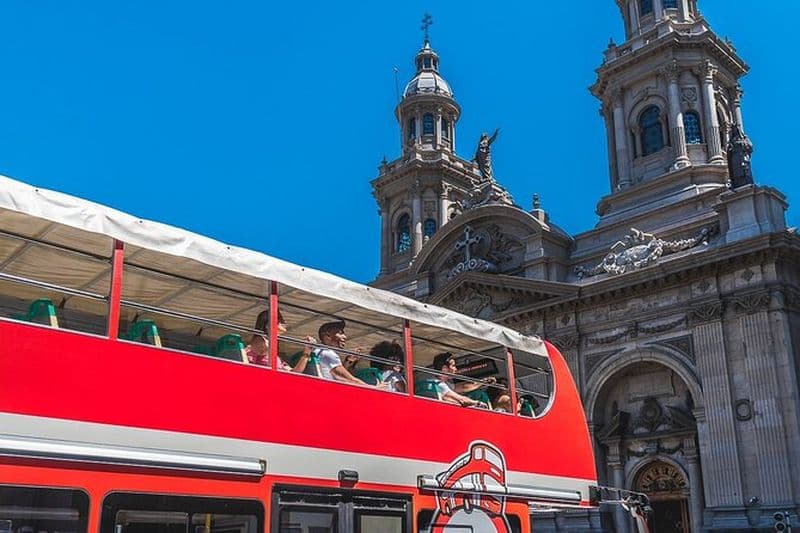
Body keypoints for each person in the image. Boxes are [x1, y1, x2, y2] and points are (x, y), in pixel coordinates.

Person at [315, 320, 383, 387]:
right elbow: (345, 378)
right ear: (327, 336)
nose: (345, 337)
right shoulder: (328, 353)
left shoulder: (318, 350)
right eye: (340, 333)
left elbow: (335, 374)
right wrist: (373, 388)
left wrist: (348, 361)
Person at [245, 309, 315, 372]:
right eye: (279, 320)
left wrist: (307, 352)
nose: (284, 322)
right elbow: (256, 349)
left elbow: (295, 372)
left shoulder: (277, 358)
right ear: (268, 325)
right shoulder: (260, 341)